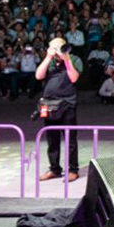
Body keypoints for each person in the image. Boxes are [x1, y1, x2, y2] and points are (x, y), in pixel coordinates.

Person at [36, 38, 83, 182]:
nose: (56, 50)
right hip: (49, 105)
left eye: (58, 47)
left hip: (67, 103)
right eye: (52, 47)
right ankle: (54, 169)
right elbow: (38, 76)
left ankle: (73, 170)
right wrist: (48, 56)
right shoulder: (49, 60)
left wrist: (66, 59)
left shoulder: (74, 59)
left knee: (70, 139)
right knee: (52, 139)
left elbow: (74, 78)